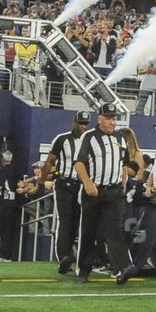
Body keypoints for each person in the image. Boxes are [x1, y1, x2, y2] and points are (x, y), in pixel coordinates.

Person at [73, 105, 136, 285]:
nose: (111, 122)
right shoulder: (89, 136)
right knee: (89, 230)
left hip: (114, 191)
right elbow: (79, 163)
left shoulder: (121, 138)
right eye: (108, 118)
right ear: (99, 119)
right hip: (94, 191)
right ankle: (83, 270)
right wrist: (87, 183)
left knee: (115, 230)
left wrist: (123, 183)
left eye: (114, 118)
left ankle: (123, 267)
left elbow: (124, 164)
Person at [40, 110, 90, 274]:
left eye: (85, 123)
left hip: (81, 185)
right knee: (65, 220)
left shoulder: (90, 141)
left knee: (76, 222)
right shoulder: (62, 139)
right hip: (63, 183)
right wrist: (42, 182)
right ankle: (63, 256)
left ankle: (72, 257)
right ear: (74, 122)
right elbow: (49, 161)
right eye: (80, 123)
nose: (83, 126)